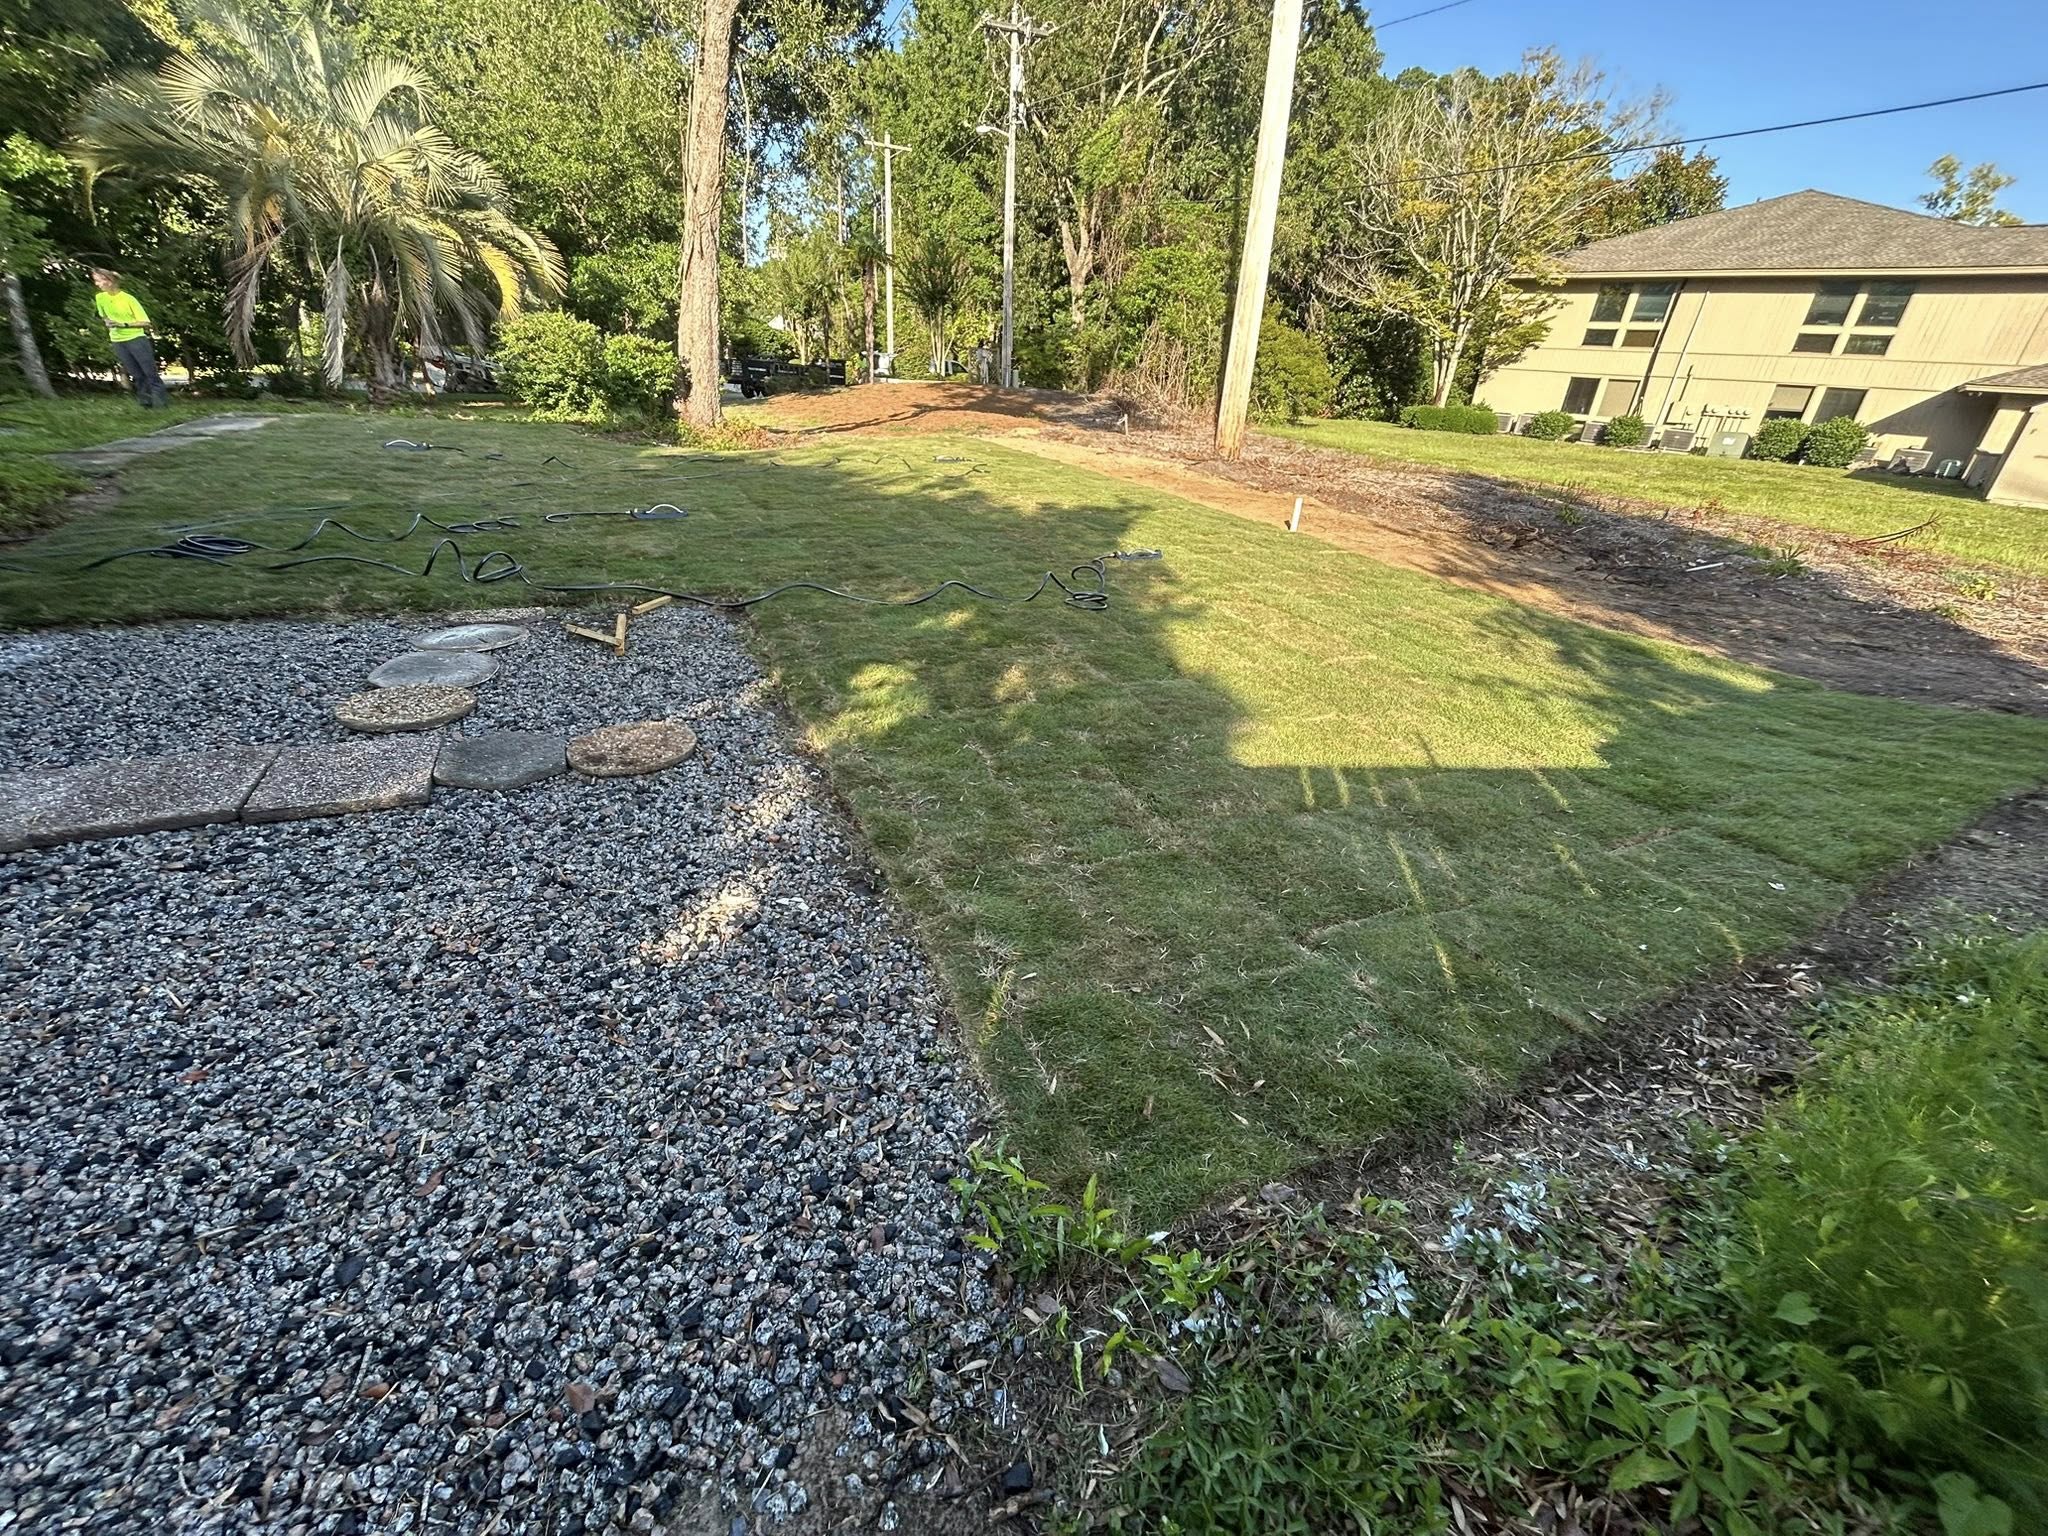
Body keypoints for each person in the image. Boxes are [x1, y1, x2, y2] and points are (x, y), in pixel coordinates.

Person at [91, 267, 168, 407]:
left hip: (136, 339)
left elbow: (146, 322)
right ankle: (146, 404)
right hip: (118, 341)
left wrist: (123, 324)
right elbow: (104, 316)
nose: (96, 284)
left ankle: (161, 405)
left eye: (98, 281)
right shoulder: (100, 298)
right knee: (137, 375)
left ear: (108, 281)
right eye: (95, 281)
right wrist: (107, 322)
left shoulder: (128, 299)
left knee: (150, 373)